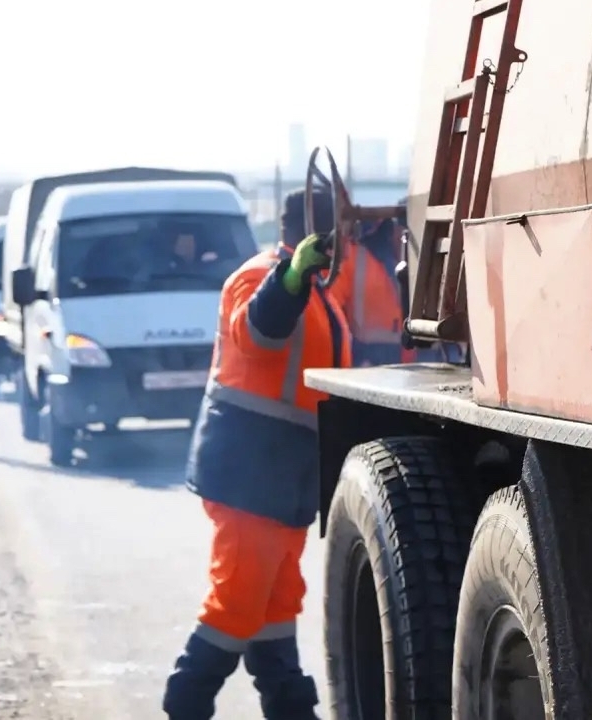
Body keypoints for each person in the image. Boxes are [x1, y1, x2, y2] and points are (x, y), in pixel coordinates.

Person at [161, 188, 350, 720]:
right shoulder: (261, 275)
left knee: (277, 600)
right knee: (239, 599)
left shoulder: (321, 292)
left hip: (283, 476)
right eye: (339, 235)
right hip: (250, 472)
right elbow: (258, 333)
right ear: (314, 232)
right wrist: (289, 278)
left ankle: (290, 707)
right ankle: (186, 702)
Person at [329, 216, 415, 366]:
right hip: (363, 366)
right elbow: (330, 314)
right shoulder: (354, 258)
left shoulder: (419, 267)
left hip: (410, 369)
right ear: (399, 231)